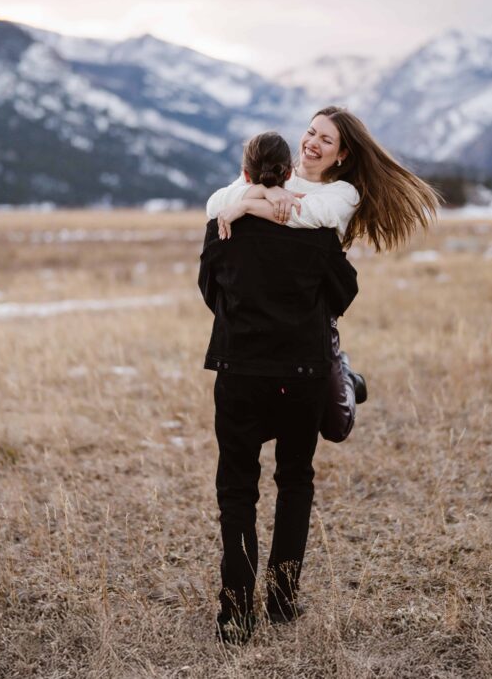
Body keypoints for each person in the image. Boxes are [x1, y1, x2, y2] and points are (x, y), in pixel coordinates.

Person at [198, 131, 359, 644]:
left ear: (244, 174)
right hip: (302, 376)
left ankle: (237, 615)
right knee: (294, 482)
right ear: (287, 171)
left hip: (239, 371)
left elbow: (209, 289)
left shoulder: (224, 225)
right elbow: (345, 292)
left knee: (237, 489)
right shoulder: (318, 230)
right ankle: (284, 600)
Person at [205, 106, 443, 439]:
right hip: (265, 314)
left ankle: (343, 371)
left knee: (334, 426)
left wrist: (246, 204)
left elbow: (305, 214)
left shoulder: (343, 194)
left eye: (326, 139)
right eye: (312, 131)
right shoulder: (278, 175)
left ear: (342, 154)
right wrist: (267, 191)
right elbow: (215, 205)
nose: (313, 142)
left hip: (311, 318)